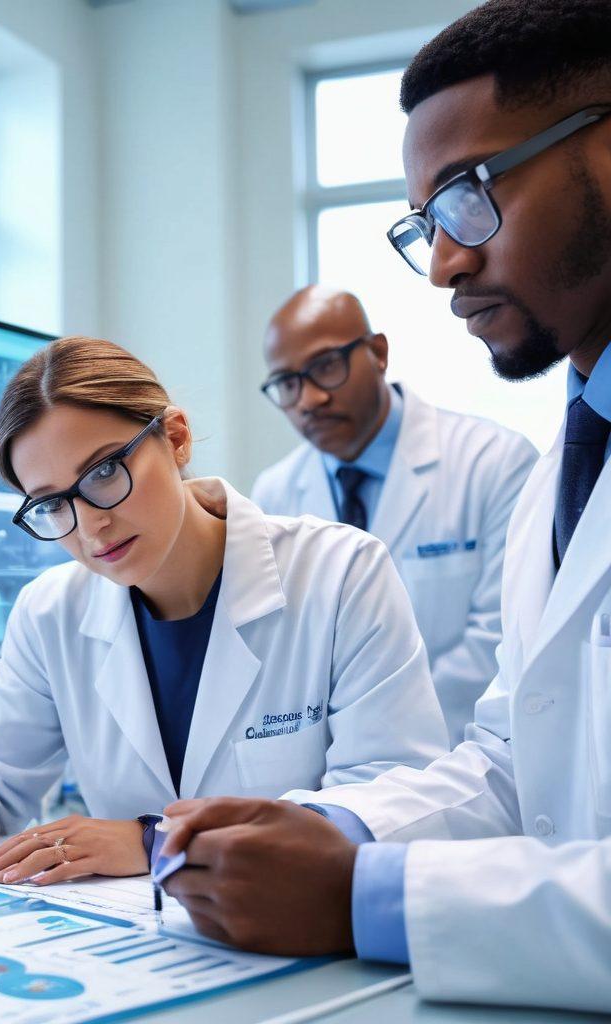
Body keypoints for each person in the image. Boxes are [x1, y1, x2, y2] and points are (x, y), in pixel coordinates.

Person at [160, 0, 611, 1013]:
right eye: (426, 226)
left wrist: (364, 896)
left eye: (469, 195)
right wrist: (335, 826)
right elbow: (513, 757)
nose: (446, 262)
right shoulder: (567, 467)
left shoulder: (493, 462)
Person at [0, 336, 448, 884]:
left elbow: (394, 801)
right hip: (136, 951)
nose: (91, 525)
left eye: (104, 472)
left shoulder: (340, 573)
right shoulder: (52, 611)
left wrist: (158, 841)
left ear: (176, 439)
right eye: (53, 504)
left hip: (306, 943)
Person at [251, 285, 536, 743]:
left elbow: (502, 640)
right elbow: (278, 656)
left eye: (326, 367)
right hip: (325, 764)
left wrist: (373, 732)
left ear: (378, 354)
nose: (308, 400)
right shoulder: (274, 494)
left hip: (463, 750)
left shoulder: (495, 462)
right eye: (287, 383)